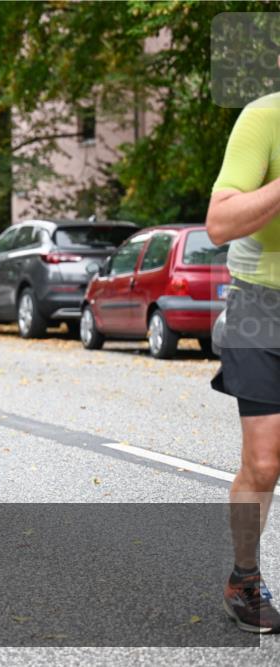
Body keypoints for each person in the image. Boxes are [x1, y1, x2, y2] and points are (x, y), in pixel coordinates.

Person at [206, 90, 280, 634]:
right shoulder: (263, 118)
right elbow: (219, 223)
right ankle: (244, 580)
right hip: (262, 305)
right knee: (265, 462)